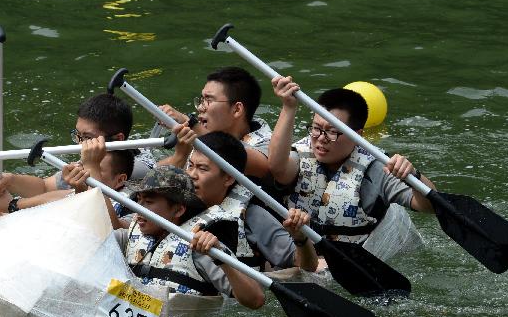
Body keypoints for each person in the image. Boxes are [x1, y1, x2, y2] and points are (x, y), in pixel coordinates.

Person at [64, 163, 266, 309]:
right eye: (138, 201)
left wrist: (223, 261)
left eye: (148, 202)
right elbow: (84, 240)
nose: (138, 210)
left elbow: (256, 300)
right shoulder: (126, 238)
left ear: (178, 210)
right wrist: (80, 190)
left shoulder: (200, 247)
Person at [267, 77, 436, 244]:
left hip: (350, 256)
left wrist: (414, 175)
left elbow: (429, 206)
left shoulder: (376, 169)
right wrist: (288, 107)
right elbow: (277, 168)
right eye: (317, 128)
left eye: (332, 132)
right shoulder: (301, 155)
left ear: (358, 135)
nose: (320, 139)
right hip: (300, 249)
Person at [0, 93, 156, 213]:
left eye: (87, 137)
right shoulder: (91, 158)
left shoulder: (140, 169)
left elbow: (85, 202)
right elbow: (45, 187)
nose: (80, 144)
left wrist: (14, 204)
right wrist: (10, 180)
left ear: (118, 139)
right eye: (78, 136)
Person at [183, 131, 318, 272]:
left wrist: (301, 239)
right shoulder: (175, 202)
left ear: (228, 178)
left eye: (202, 169)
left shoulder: (253, 217)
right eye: (190, 166)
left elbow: (307, 265)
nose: (191, 175)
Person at [0, 143, 134, 227]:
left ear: (120, 180)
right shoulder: (66, 197)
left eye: (95, 166)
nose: (84, 171)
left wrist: (91, 169)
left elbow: (109, 226)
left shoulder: (134, 209)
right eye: (84, 163)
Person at [157, 67, 272, 179]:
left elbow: (259, 165)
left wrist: (190, 123)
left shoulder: (267, 145)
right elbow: (151, 175)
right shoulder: (199, 139)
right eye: (202, 100)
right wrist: (180, 155)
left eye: (209, 100)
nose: (200, 108)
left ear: (237, 109)